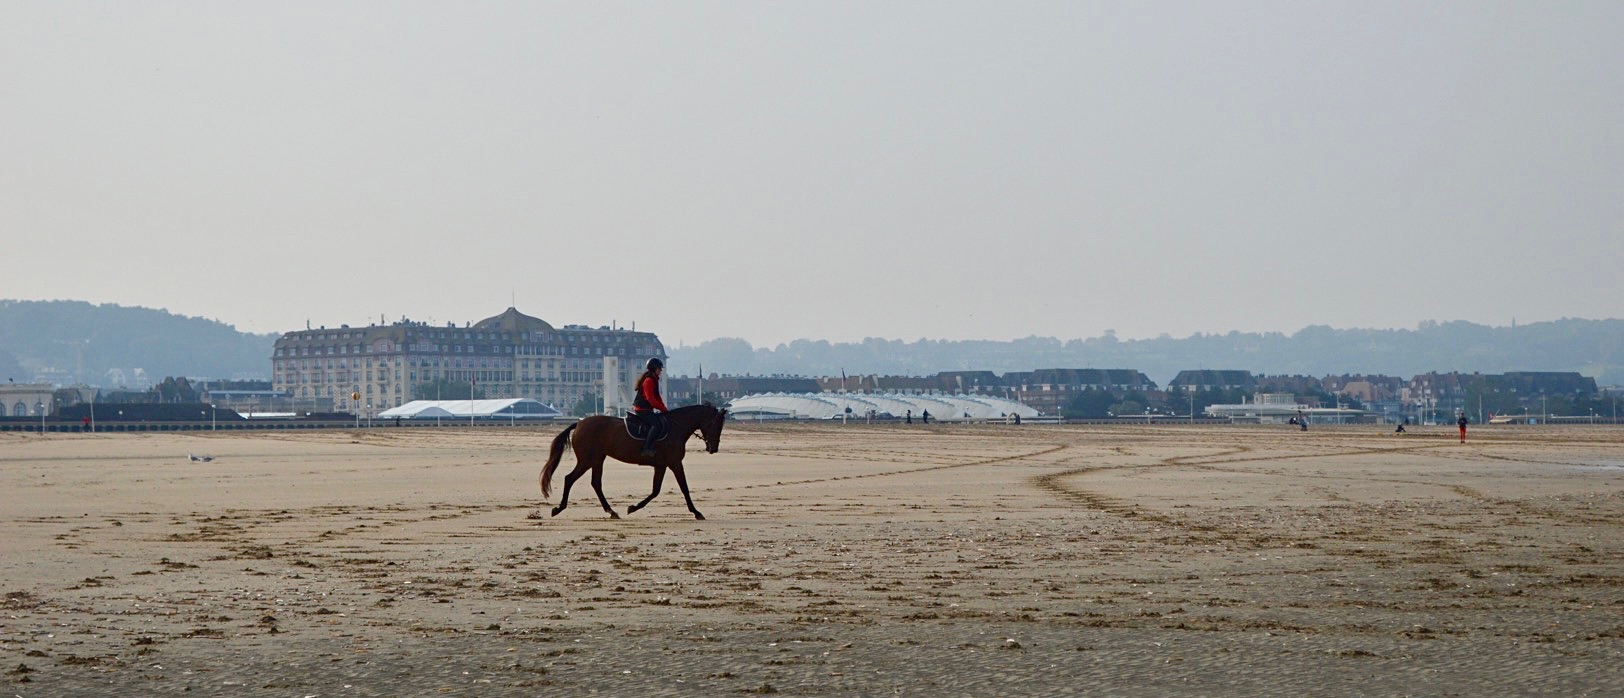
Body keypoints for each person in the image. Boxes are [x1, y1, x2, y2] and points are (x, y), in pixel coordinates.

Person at [631, 357, 669, 459]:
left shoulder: (654, 379)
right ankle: (646, 448)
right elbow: (651, 399)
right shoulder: (648, 380)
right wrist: (662, 408)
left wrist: (664, 408)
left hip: (646, 409)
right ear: (654, 368)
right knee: (656, 425)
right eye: (659, 368)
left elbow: (657, 397)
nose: (661, 371)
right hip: (641, 409)